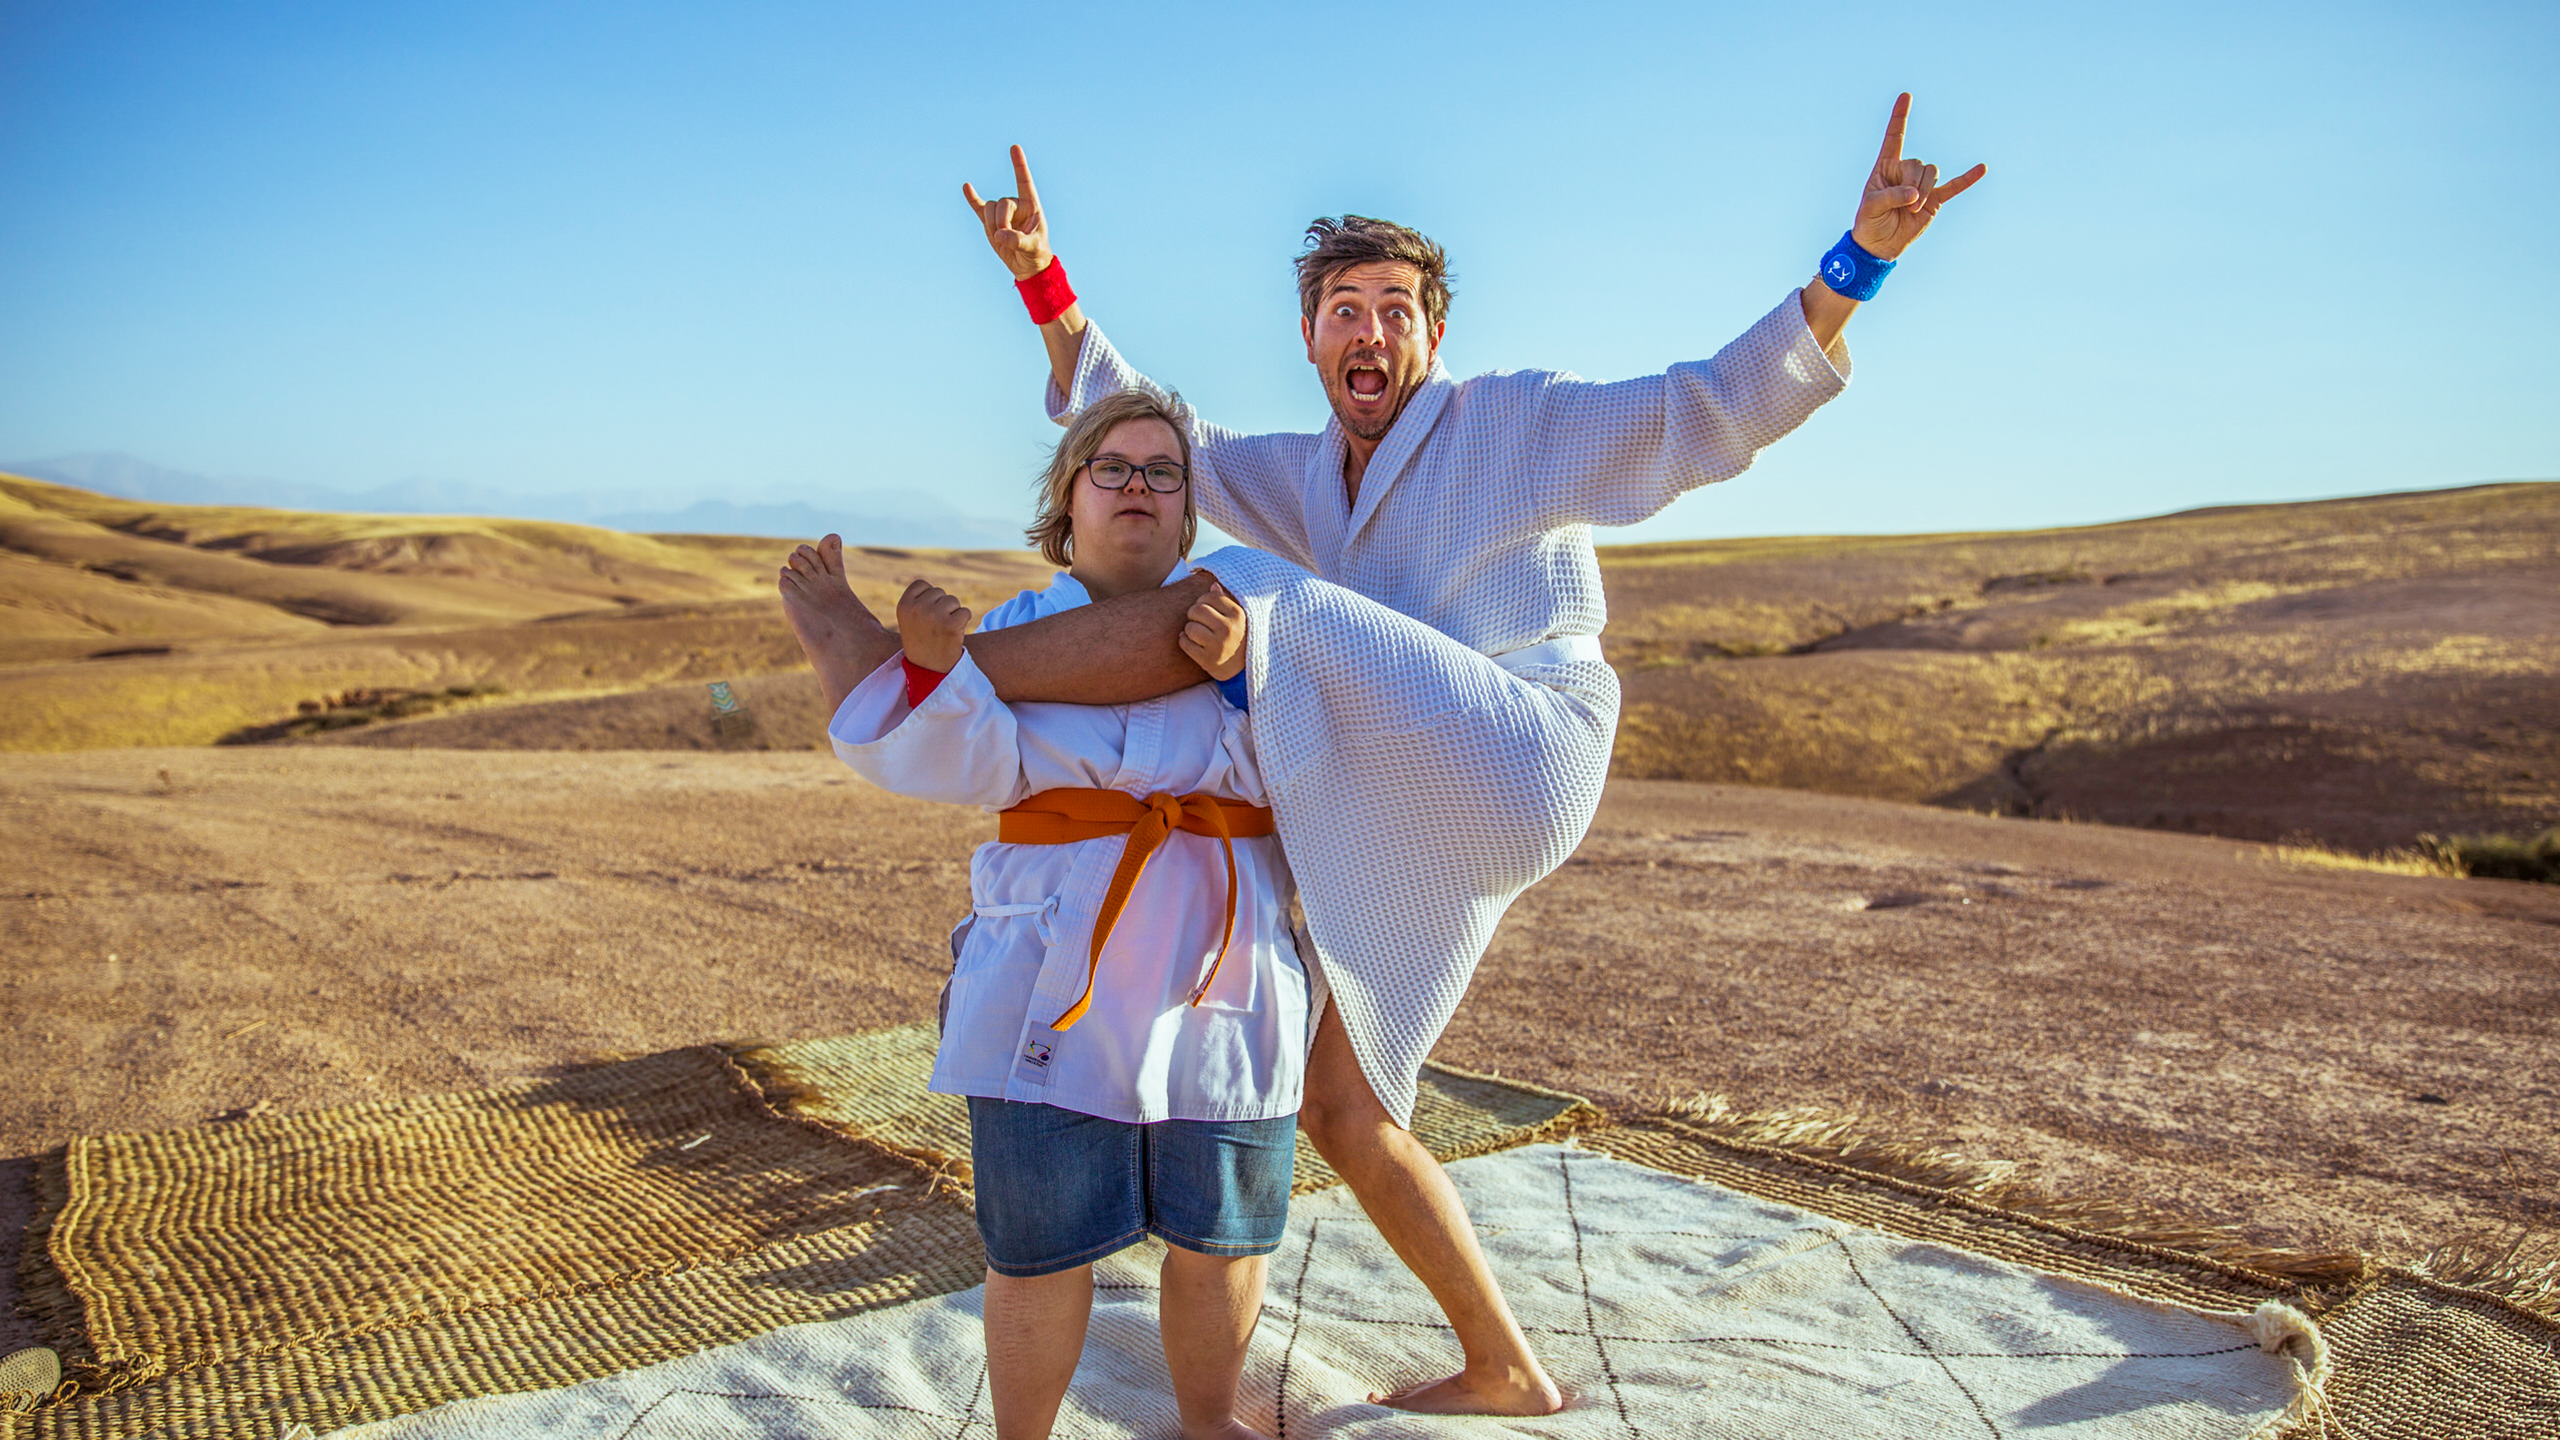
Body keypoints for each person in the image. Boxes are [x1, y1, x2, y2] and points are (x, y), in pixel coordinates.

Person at [779, 92, 1982, 1415]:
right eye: (1344, 308)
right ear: (1309, 338)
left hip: (1522, 743)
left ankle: (937, 687)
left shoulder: (1514, 425)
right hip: (1414, 786)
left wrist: (1858, 262)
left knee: (1241, 594)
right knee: (1339, 1104)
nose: (1370, 329)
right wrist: (1043, 285)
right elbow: (1155, 438)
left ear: (1434, 332)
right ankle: (1506, 1364)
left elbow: (1700, 411)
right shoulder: (1301, 474)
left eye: (1395, 308)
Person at [809, 389, 1305, 1440]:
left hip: (1220, 962)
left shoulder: (1254, 627)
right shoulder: (1016, 634)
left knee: (1223, 1234)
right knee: (1037, 1244)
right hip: (1052, 965)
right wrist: (943, 673)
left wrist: (1241, 680)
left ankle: (1208, 1423)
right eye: (1110, 468)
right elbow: (958, 760)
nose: (1137, 487)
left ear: (1186, 512)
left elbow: (1321, 770)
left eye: (1162, 472)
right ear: (1066, 500)